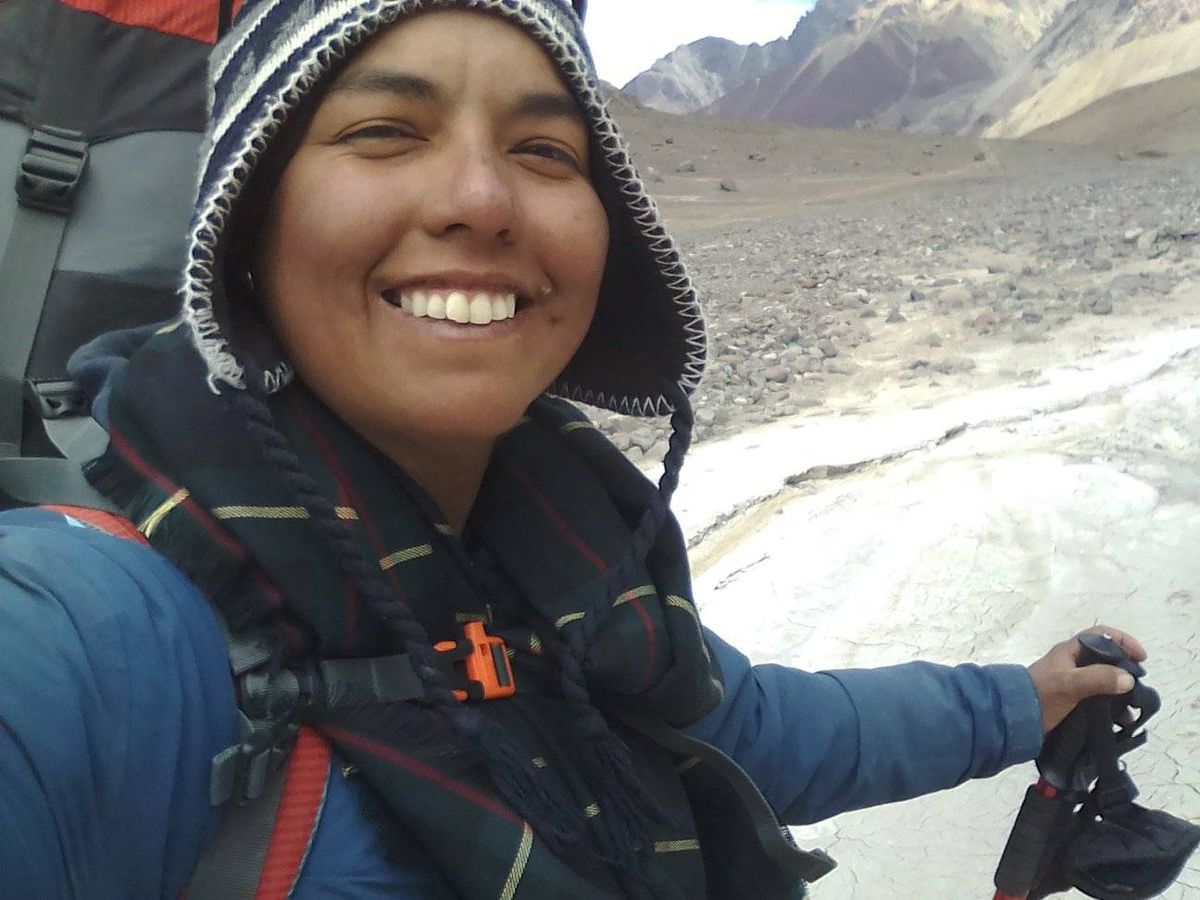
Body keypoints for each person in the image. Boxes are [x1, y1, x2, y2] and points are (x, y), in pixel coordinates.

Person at [0, 1, 1147, 897]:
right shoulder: (91, 639)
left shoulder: (568, 573)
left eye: (546, 151)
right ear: (244, 229)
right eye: (384, 130)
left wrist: (1018, 700)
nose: (482, 198)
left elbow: (753, 731)